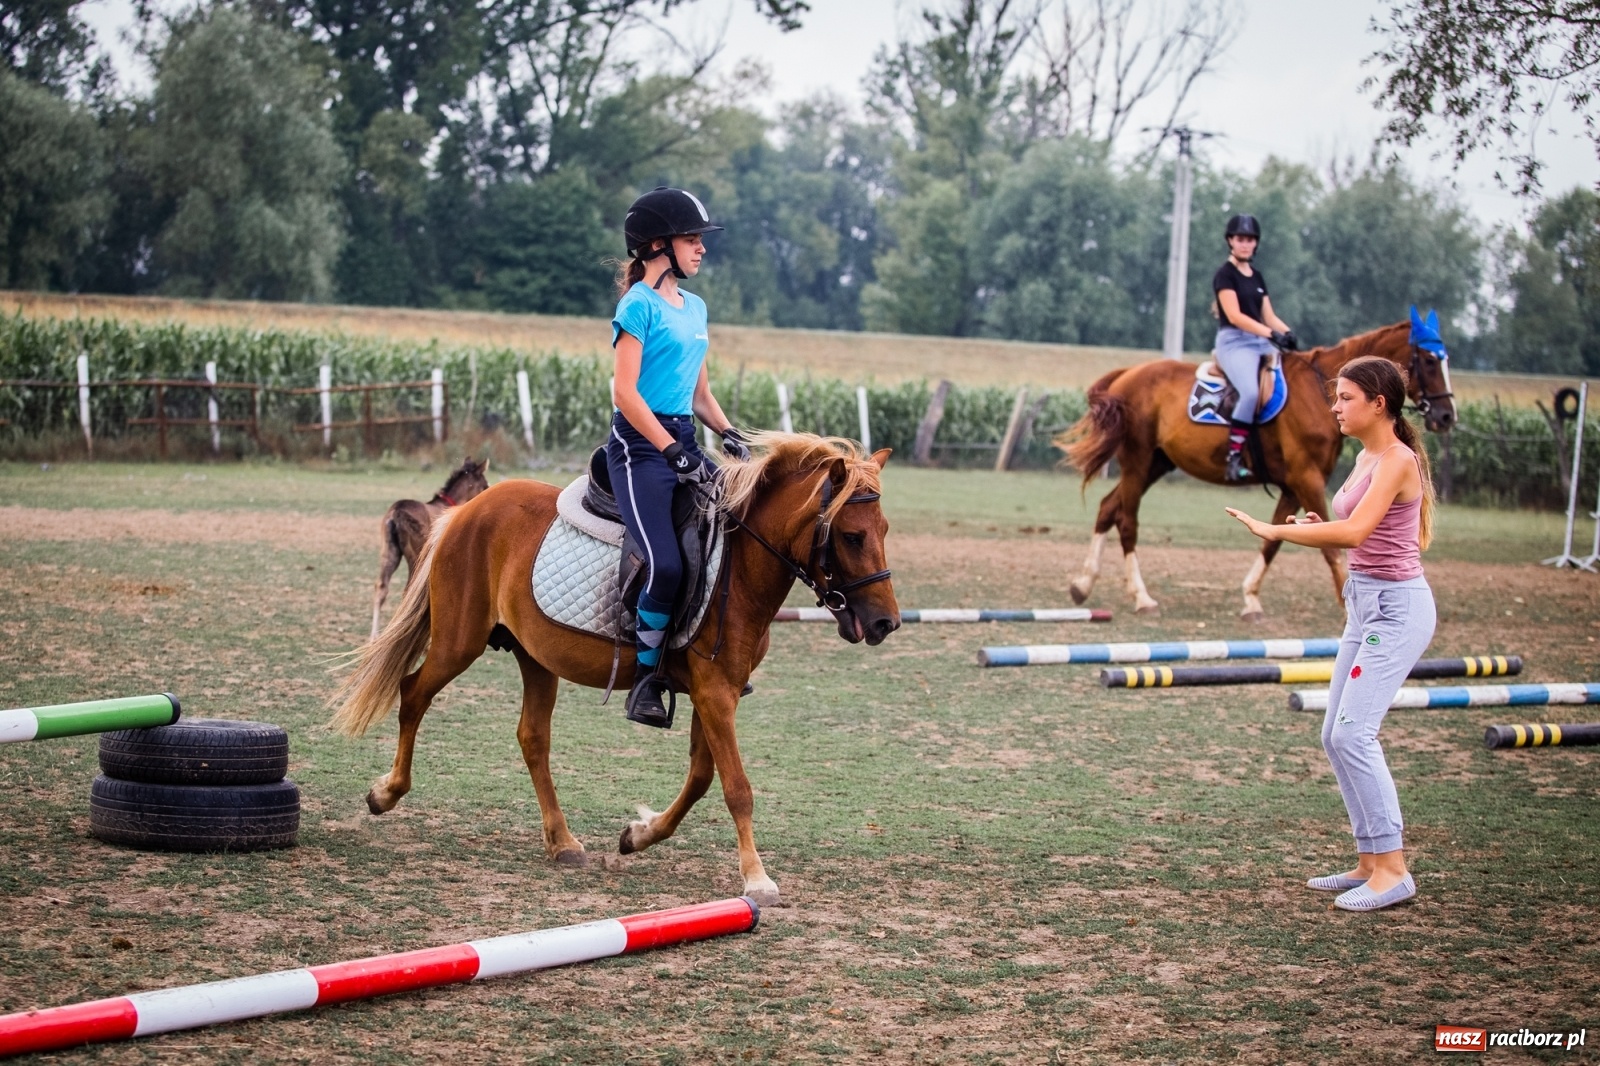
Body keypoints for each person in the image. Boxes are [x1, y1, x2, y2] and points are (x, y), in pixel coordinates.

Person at [1225, 355, 1437, 912]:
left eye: (1345, 398)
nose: (1335, 407)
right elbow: (1354, 531)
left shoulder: (1396, 459)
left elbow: (1360, 528)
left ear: (1378, 404)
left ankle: (1393, 870)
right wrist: (1318, 528)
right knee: (1332, 734)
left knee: (1353, 736)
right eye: (1336, 397)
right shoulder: (1367, 455)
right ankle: (1369, 861)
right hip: (1363, 607)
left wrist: (1274, 529)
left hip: (1395, 611)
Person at [607, 186, 750, 728]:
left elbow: (697, 393)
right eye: (693, 239)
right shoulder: (636, 305)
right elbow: (626, 393)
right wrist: (669, 450)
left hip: (684, 440)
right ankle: (646, 678)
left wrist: (729, 433)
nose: (702, 249)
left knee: (739, 529)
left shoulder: (696, 308)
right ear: (657, 246)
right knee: (664, 563)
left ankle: (716, 651)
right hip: (639, 450)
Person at [1212, 214, 1299, 482]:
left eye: (1250, 240)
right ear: (1230, 241)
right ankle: (1233, 457)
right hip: (1234, 342)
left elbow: (1268, 315)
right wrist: (1271, 333)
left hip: (1260, 342)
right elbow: (1235, 316)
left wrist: (1287, 334)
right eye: (1240, 239)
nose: (1245, 244)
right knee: (1250, 392)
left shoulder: (1257, 276)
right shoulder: (1224, 275)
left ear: (1255, 243)